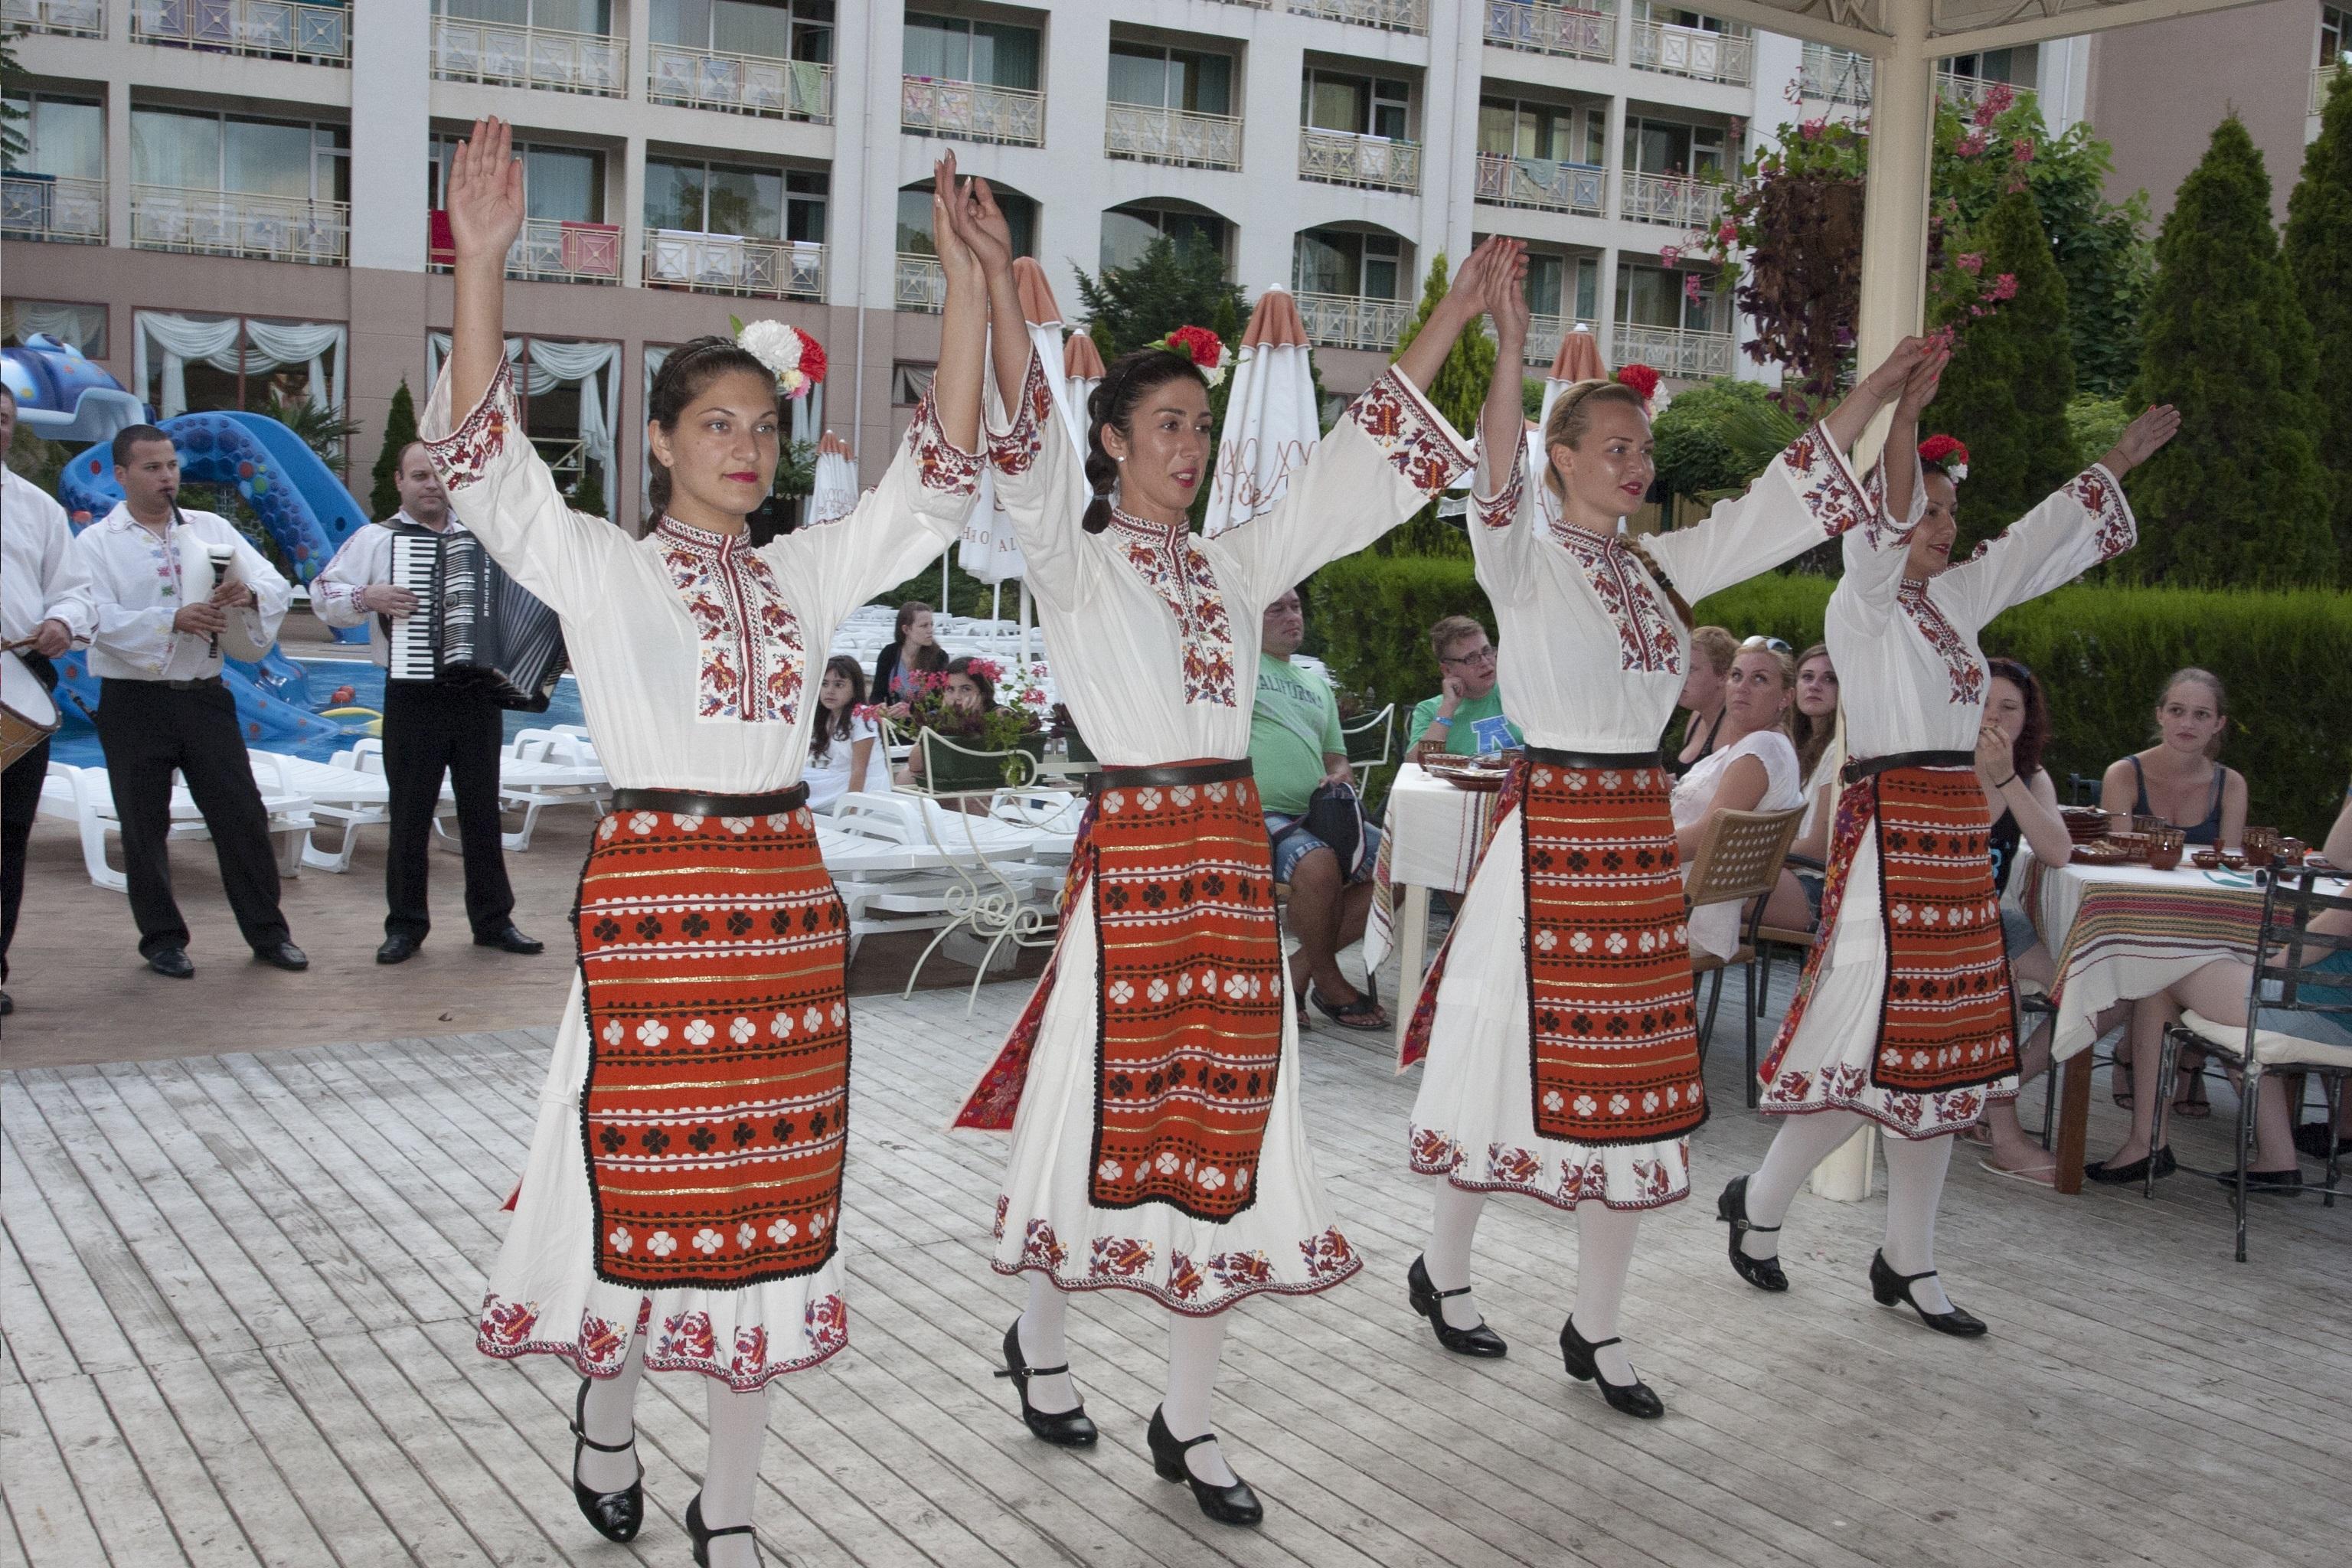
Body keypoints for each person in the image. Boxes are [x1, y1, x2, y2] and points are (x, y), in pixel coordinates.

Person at [430, 120, 983, 1567]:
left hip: (786, 910)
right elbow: (489, 474)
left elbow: (933, 487)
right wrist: (481, 263)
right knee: (646, 1173)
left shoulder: (806, 570)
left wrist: (969, 295)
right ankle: (607, 1413)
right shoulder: (603, 567)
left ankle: (728, 1506)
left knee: (774, 1198)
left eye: (764, 425)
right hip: (660, 905)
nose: (746, 448)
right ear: (661, 440)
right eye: (716, 425)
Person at [949, 169, 1494, 1524]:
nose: (1190, 444)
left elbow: (1364, 460)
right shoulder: (1071, 558)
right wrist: (987, 277)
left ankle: (1187, 1419)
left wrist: (1457, 316)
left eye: (1200, 424)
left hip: (1224, 871)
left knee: (1224, 1131)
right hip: (1132, 861)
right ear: (1115, 439)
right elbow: (1014, 432)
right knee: (1087, 1117)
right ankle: (1042, 1330)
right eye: (1168, 423)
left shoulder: (1236, 565)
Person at [1403, 264, 1937, 1423]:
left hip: (1633, 844)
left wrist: (1879, 395)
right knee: (1502, 1063)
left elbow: (1776, 502)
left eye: (1643, 449)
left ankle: (1597, 1325)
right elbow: (1494, 469)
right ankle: (1442, 1267)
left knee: (1639, 1089)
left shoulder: (1655, 568)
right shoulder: (1523, 551)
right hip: (1549, 843)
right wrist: (1508, 346)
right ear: (1561, 457)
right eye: (1613, 447)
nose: (1636, 466)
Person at [1722, 378, 2180, 1338]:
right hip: (1889, 836)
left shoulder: (1955, 603)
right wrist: (1906, 422)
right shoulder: (1864, 603)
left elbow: (2030, 546)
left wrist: (2120, 462)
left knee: (1940, 1062)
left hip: (1953, 837)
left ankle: (1908, 1255)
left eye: (1950, 511)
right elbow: (1882, 522)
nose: (1944, 525)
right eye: (1927, 511)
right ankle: (1763, 1206)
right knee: (1870, 1045)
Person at [67, 423, 307, 978]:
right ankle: (162, 940)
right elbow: (95, 619)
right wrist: (168, 620)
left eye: (172, 465)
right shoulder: (97, 543)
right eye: (152, 468)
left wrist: (246, 593)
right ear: (123, 475)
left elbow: (273, 583)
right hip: (133, 702)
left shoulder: (212, 528)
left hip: (205, 695)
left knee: (242, 816)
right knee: (144, 824)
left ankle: (269, 933)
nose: (167, 477)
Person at [311, 441, 542, 964]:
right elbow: (323, 590)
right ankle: (406, 926)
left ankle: (493, 920)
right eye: (419, 475)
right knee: (410, 814)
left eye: (438, 475)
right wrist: (366, 597)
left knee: (482, 812)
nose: (431, 485)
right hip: (413, 695)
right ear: (399, 481)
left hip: (478, 694)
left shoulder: (485, 538)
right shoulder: (376, 539)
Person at [1969, 656, 2096, 1184]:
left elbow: (2057, 851)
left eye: (2009, 707)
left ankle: (1998, 1088)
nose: (1995, 717)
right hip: (1946, 920)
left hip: (1997, 919)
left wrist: (2007, 778)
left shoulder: (2030, 776)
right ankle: (2006, 1138)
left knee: (2101, 992)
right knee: (2002, 988)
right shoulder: (1939, 763)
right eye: (1985, 703)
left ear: (2027, 718)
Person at [0, 383, 94, 1014]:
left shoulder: (35, 508)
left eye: (4, 419)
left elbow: (76, 590)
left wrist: (63, 620)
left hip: (20, 687)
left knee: (7, 839)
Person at [1252, 586, 1383, 1030]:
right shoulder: (1235, 672)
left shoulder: (1316, 685)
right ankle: (1329, 979)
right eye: (1277, 609)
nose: (1293, 616)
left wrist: (1342, 772)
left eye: (1296, 607)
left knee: (1400, 864)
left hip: (1322, 810)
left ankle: (1298, 970)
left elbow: (1335, 755)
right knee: (1318, 864)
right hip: (1257, 812)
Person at [1671, 642, 1805, 963]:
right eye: (1736, 675)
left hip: (1683, 911)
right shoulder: (1763, 745)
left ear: (1785, 697)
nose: (1742, 687)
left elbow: (1706, 836)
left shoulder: (1759, 750)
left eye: (1759, 679)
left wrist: (1628, 853)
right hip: (1684, 896)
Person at [2099, 668, 2246, 849]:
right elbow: (2116, 854)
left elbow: (2230, 864)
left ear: (2218, 724)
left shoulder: (2231, 785)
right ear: (2160, 715)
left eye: (2201, 714)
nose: (2187, 724)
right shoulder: (2122, 775)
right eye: (2177, 711)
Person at [1762, 642, 1844, 932]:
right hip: (1791, 876)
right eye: (1807, 677)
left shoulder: (1840, 750)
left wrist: (1748, 858)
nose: (1815, 686)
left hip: (1818, 888)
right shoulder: (1800, 747)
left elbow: (1818, 849)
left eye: (1830, 679)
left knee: (1703, 885)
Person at [1406, 614, 1522, 763]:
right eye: (1471, 658)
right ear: (1448, 670)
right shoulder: (1429, 710)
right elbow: (1414, 764)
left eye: (1487, 651)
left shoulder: (1519, 693)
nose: (1485, 662)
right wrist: (1448, 709)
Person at [895, 655, 998, 793]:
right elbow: (915, 764)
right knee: (906, 777)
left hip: (984, 786)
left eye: (966, 689)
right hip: (951, 785)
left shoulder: (997, 716)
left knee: (968, 790)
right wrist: (945, 723)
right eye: (950, 689)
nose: (957, 697)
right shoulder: (940, 717)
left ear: (983, 693)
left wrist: (967, 722)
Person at [803, 655, 877, 810]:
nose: (830, 691)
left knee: (798, 791)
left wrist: (851, 811)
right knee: (791, 779)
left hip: (862, 785)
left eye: (839, 685)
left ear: (854, 688)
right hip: (837, 779)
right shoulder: (827, 716)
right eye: (825, 684)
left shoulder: (862, 716)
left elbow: (859, 770)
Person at [1666, 624, 1738, 776]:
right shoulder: (1698, 715)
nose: (1680, 677)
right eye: (1679, 667)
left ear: (1723, 677)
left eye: (1690, 669)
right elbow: (1684, 778)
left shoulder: (1734, 725)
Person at [872, 599, 946, 711]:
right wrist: (881, 706)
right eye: (924, 626)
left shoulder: (939, 657)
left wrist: (911, 711)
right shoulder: (889, 653)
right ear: (906, 629)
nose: (931, 630)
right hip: (893, 722)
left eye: (931, 624)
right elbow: (877, 695)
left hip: (926, 724)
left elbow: (940, 701)